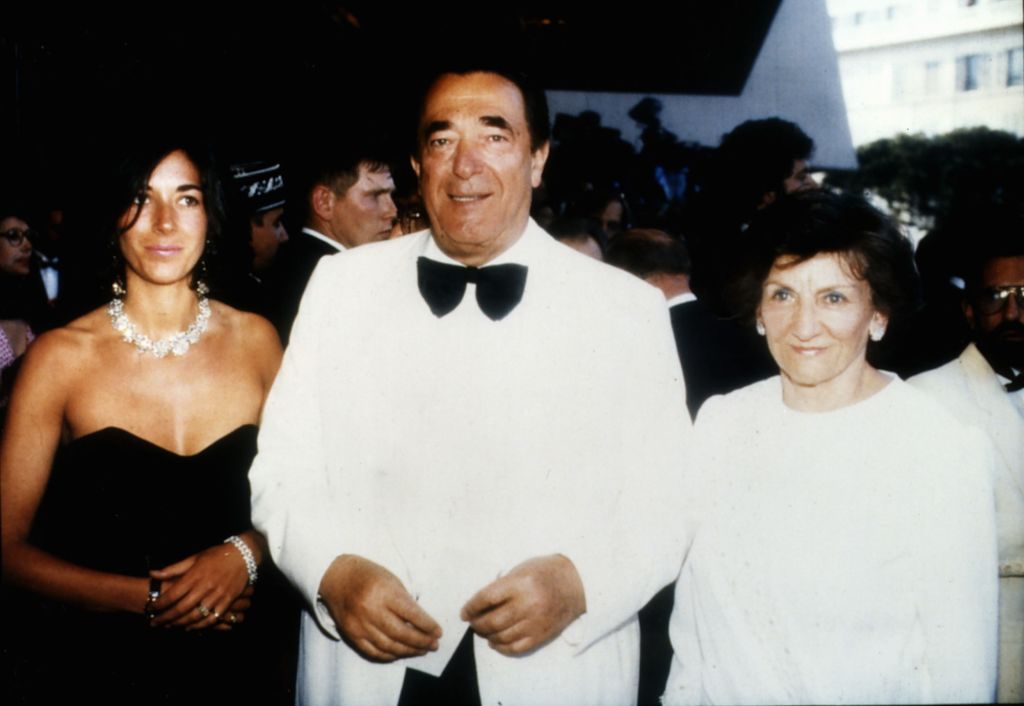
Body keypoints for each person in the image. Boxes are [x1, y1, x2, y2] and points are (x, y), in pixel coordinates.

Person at [249, 64, 691, 706]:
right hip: (369, 671)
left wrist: (579, 584)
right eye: (442, 140)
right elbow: (284, 470)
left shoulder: (626, 309)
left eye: (494, 136)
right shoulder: (340, 288)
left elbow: (667, 500)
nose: (465, 165)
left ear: (538, 159)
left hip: (550, 671)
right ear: (417, 165)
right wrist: (332, 573)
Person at [663, 190, 999, 705]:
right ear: (758, 309)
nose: (803, 325)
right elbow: (694, 629)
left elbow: (962, 669)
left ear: (878, 314)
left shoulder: (937, 445)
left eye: (834, 298)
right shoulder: (722, 422)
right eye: (783, 295)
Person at [0, 141, 284, 704]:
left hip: (244, 664)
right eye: (141, 198)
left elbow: (307, 495)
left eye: (186, 199)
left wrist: (247, 551)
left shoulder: (257, 341)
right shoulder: (58, 358)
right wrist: (151, 600)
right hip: (102, 668)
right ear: (113, 217)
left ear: (210, 215)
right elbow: (7, 548)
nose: (164, 222)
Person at [909, 226, 1023, 703]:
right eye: (996, 297)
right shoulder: (925, 397)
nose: (1013, 313)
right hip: (992, 639)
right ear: (969, 310)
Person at [266, 138, 397, 343]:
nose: (392, 211)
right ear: (324, 202)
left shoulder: (292, 265)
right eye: (374, 196)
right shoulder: (336, 279)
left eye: (391, 196)